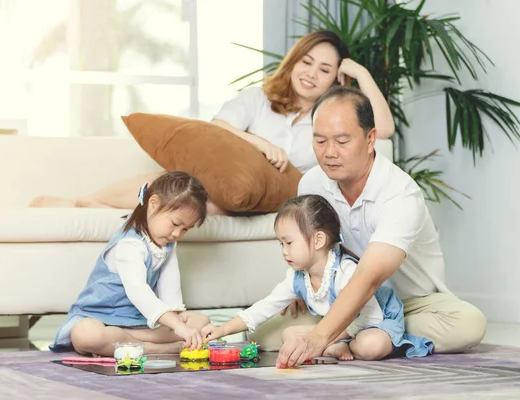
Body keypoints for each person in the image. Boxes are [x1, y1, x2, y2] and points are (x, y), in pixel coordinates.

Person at [29, 30, 394, 214]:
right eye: (307, 62)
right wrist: (261, 144)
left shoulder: (330, 119)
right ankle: (85, 203)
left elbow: (385, 130)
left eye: (325, 69)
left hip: (279, 197)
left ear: (336, 80)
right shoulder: (259, 98)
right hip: (239, 186)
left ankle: (115, 209)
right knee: (184, 185)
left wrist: (360, 72)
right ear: (294, 61)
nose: (312, 73)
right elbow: (218, 127)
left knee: (201, 197)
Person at [275, 86, 486, 368]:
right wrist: (300, 284)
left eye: (342, 141)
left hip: (412, 303)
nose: (329, 153)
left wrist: (317, 339)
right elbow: (311, 248)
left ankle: (367, 333)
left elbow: (369, 276)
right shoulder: (311, 184)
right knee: (267, 333)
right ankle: (360, 336)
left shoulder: (400, 192)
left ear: (370, 138)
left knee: (468, 324)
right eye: (320, 141)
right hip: (339, 295)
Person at [201, 195, 433, 362]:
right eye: (280, 244)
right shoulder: (297, 276)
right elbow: (265, 307)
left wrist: (326, 337)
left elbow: (369, 317)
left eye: (289, 243)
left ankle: (339, 346)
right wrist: (223, 330)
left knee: (371, 346)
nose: (284, 251)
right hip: (336, 330)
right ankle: (336, 347)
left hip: (374, 323)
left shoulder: (344, 272)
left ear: (319, 240)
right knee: (288, 335)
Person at [50, 171, 210, 356]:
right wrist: (177, 328)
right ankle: (153, 348)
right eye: (175, 223)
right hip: (101, 317)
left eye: (185, 229)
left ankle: (126, 341)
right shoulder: (130, 243)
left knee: (201, 321)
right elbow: (138, 291)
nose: (177, 234)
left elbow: (170, 285)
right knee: (85, 335)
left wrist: (178, 321)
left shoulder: (168, 243)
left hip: (137, 320)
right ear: (153, 204)